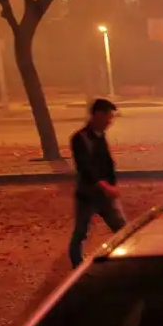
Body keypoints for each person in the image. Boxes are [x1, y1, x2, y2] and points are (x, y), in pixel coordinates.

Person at [68, 98, 126, 268]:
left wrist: (112, 184)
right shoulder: (80, 138)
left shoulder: (100, 136)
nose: (110, 122)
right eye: (108, 117)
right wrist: (105, 186)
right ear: (98, 115)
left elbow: (107, 163)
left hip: (105, 196)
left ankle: (124, 260)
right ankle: (77, 267)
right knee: (80, 233)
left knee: (123, 230)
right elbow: (85, 167)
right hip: (87, 196)